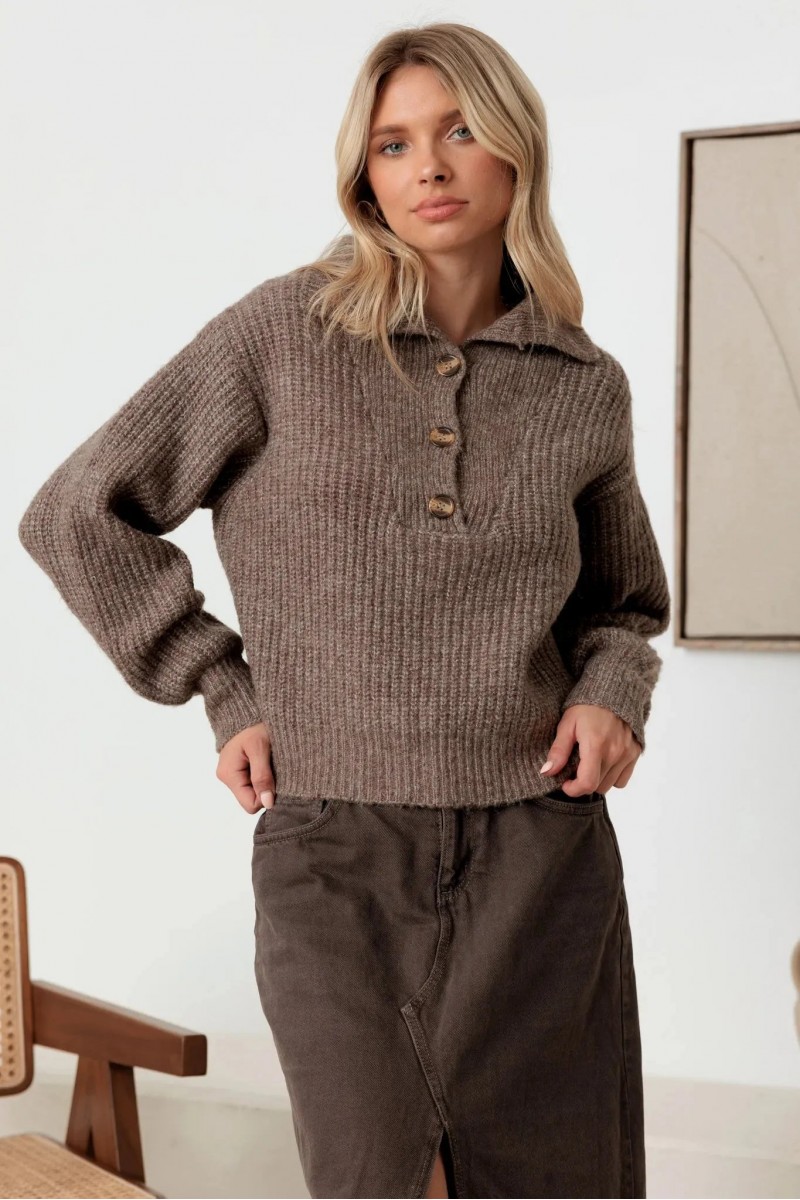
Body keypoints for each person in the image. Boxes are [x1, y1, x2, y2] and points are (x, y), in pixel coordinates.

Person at [17, 21, 670, 1200]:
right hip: (335, 853)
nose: (428, 166)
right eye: (393, 143)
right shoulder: (284, 334)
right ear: (362, 173)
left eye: (458, 131)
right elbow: (77, 512)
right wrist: (221, 683)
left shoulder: (582, 385)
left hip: (540, 856)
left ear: (515, 149)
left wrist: (612, 693)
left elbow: (620, 606)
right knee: (375, 1176)